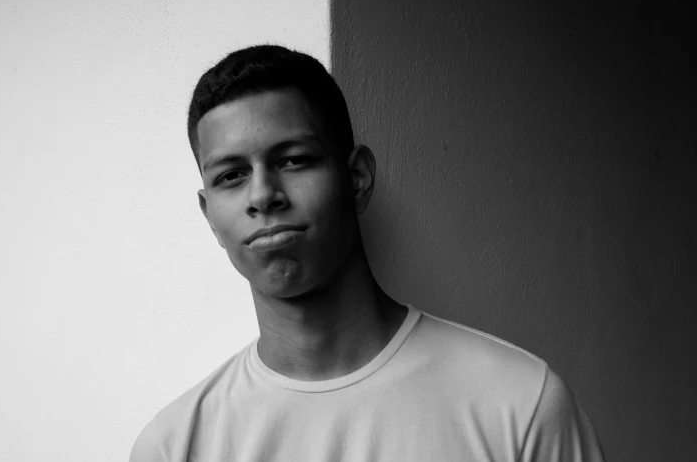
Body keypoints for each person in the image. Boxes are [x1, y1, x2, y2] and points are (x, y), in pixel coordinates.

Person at [130, 45, 605, 461]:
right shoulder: (174, 445)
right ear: (209, 215)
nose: (263, 194)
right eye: (231, 175)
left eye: (293, 159)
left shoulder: (519, 405)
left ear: (357, 178)